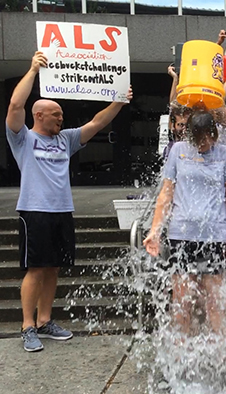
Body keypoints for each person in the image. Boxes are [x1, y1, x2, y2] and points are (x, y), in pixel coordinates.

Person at [6, 51, 132, 352]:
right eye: (57, 114)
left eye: (62, 115)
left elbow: (97, 123)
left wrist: (119, 101)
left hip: (63, 210)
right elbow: (14, 105)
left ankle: (45, 321)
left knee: (54, 268)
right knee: (35, 268)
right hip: (34, 211)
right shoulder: (22, 138)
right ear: (39, 115)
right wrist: (33, 69)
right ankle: (27, 325)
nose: (62, 118)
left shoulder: (66, 139)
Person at [143, 110, 226, 337]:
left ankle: (221, 356)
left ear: (214, 134)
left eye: (206, 138)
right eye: (197, 139)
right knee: (182, 300)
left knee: (215, 300)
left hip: (215, 234)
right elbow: (166, 194)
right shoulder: (178, 151)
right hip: (182, 233)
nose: (202, 144)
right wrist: (155, 231)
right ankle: (179, 355)